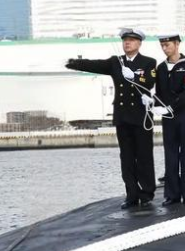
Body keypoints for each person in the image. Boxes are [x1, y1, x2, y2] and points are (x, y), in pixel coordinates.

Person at [65, 27, 158, 208]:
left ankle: (146, 193)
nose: (127, 43)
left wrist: (135, 77)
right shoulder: (116, 62)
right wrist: (72, 63)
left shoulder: (148, 62)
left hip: (140, 116)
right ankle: (131, 194)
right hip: (122, 116)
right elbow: (95, 65)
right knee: (127, 157)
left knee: (144, 155)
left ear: (139, 43)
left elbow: (149, 82)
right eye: (125, 40)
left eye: (131, 40)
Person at [151, 32, 185, 205]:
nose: (165, 48)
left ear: (177, 44)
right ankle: (172, 195)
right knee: (170, 155)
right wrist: (154, 103)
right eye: (162, 46)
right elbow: (159, 92)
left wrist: (171, 106)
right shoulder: (161, 68)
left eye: (168, 45)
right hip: (168, 117)